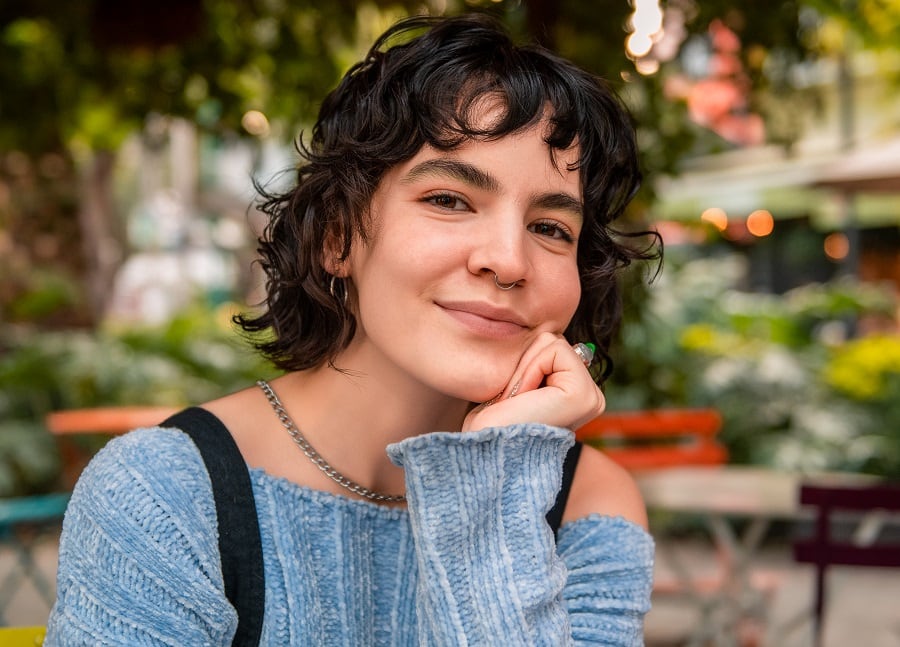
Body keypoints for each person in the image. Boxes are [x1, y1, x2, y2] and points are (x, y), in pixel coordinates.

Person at [46, 13, 661, 645]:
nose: (507, 261)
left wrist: (490, 480)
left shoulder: (589, 505)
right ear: (339, 236)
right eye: (449, 200)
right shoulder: (167, 494)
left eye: (551, 227)